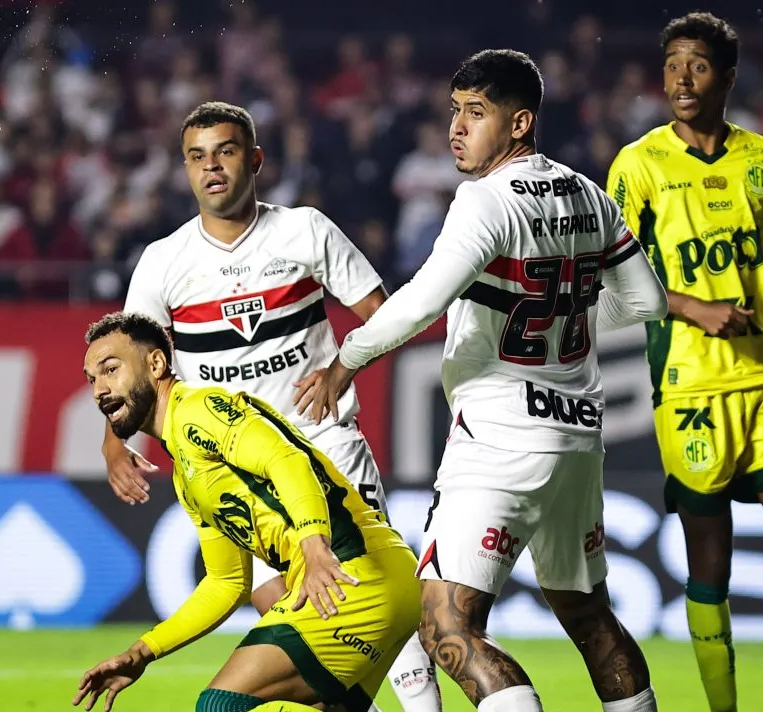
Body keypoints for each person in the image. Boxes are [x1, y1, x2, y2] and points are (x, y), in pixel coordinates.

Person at [296, 49, 664, 712]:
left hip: (499, 436)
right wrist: (568, 312)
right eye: (454, 112)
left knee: (445, 625)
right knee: (589, 617)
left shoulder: (485, 201)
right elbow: (646, 303)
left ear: (520, 123)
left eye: (476, 113)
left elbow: (422, 302)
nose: (456, 129)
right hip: (576, 437)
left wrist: (346, 359)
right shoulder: (590, 196)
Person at [106, 101, 441, 710]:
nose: (211, 167)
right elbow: (134, 365)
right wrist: (114, 443)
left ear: (255, 160)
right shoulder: (163, 261)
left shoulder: (304, 230)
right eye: (196, 156)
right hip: (238, 468)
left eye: (226, 151)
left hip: (321, 446)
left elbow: (381, 314)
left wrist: (345, 367)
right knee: (297, 631)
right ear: (185, 170)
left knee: (360, 594)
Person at [604, 12, 763, 712]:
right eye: (673, 64)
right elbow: (611, 275)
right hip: (690, 384)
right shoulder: (638, 164)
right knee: (709, 564)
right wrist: (693, 307)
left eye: (699, 65)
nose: (682, 78)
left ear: (727, 77)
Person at [74, 311, 423, 712]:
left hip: (352, 573)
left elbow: (286, 460)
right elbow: (226, 583)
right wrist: (143, 652)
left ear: (155, 364)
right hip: (376, 581)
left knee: (220, 705)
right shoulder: (187, 475)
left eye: (110, 369)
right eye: (91, 379)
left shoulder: (199, 411)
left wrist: (313, 544)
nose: (100, 389)